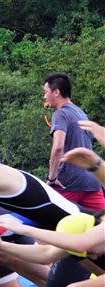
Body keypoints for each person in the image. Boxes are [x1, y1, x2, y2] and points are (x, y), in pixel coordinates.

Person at [43, 72, 104, 210]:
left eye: (46, 92)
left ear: (56, 92)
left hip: (68, 183)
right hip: (91, 180)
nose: (45, 96)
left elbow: (58, 147)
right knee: (102, 222)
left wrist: (52, 178)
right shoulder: (80, 112)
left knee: (45, 217)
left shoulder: (60, 114)